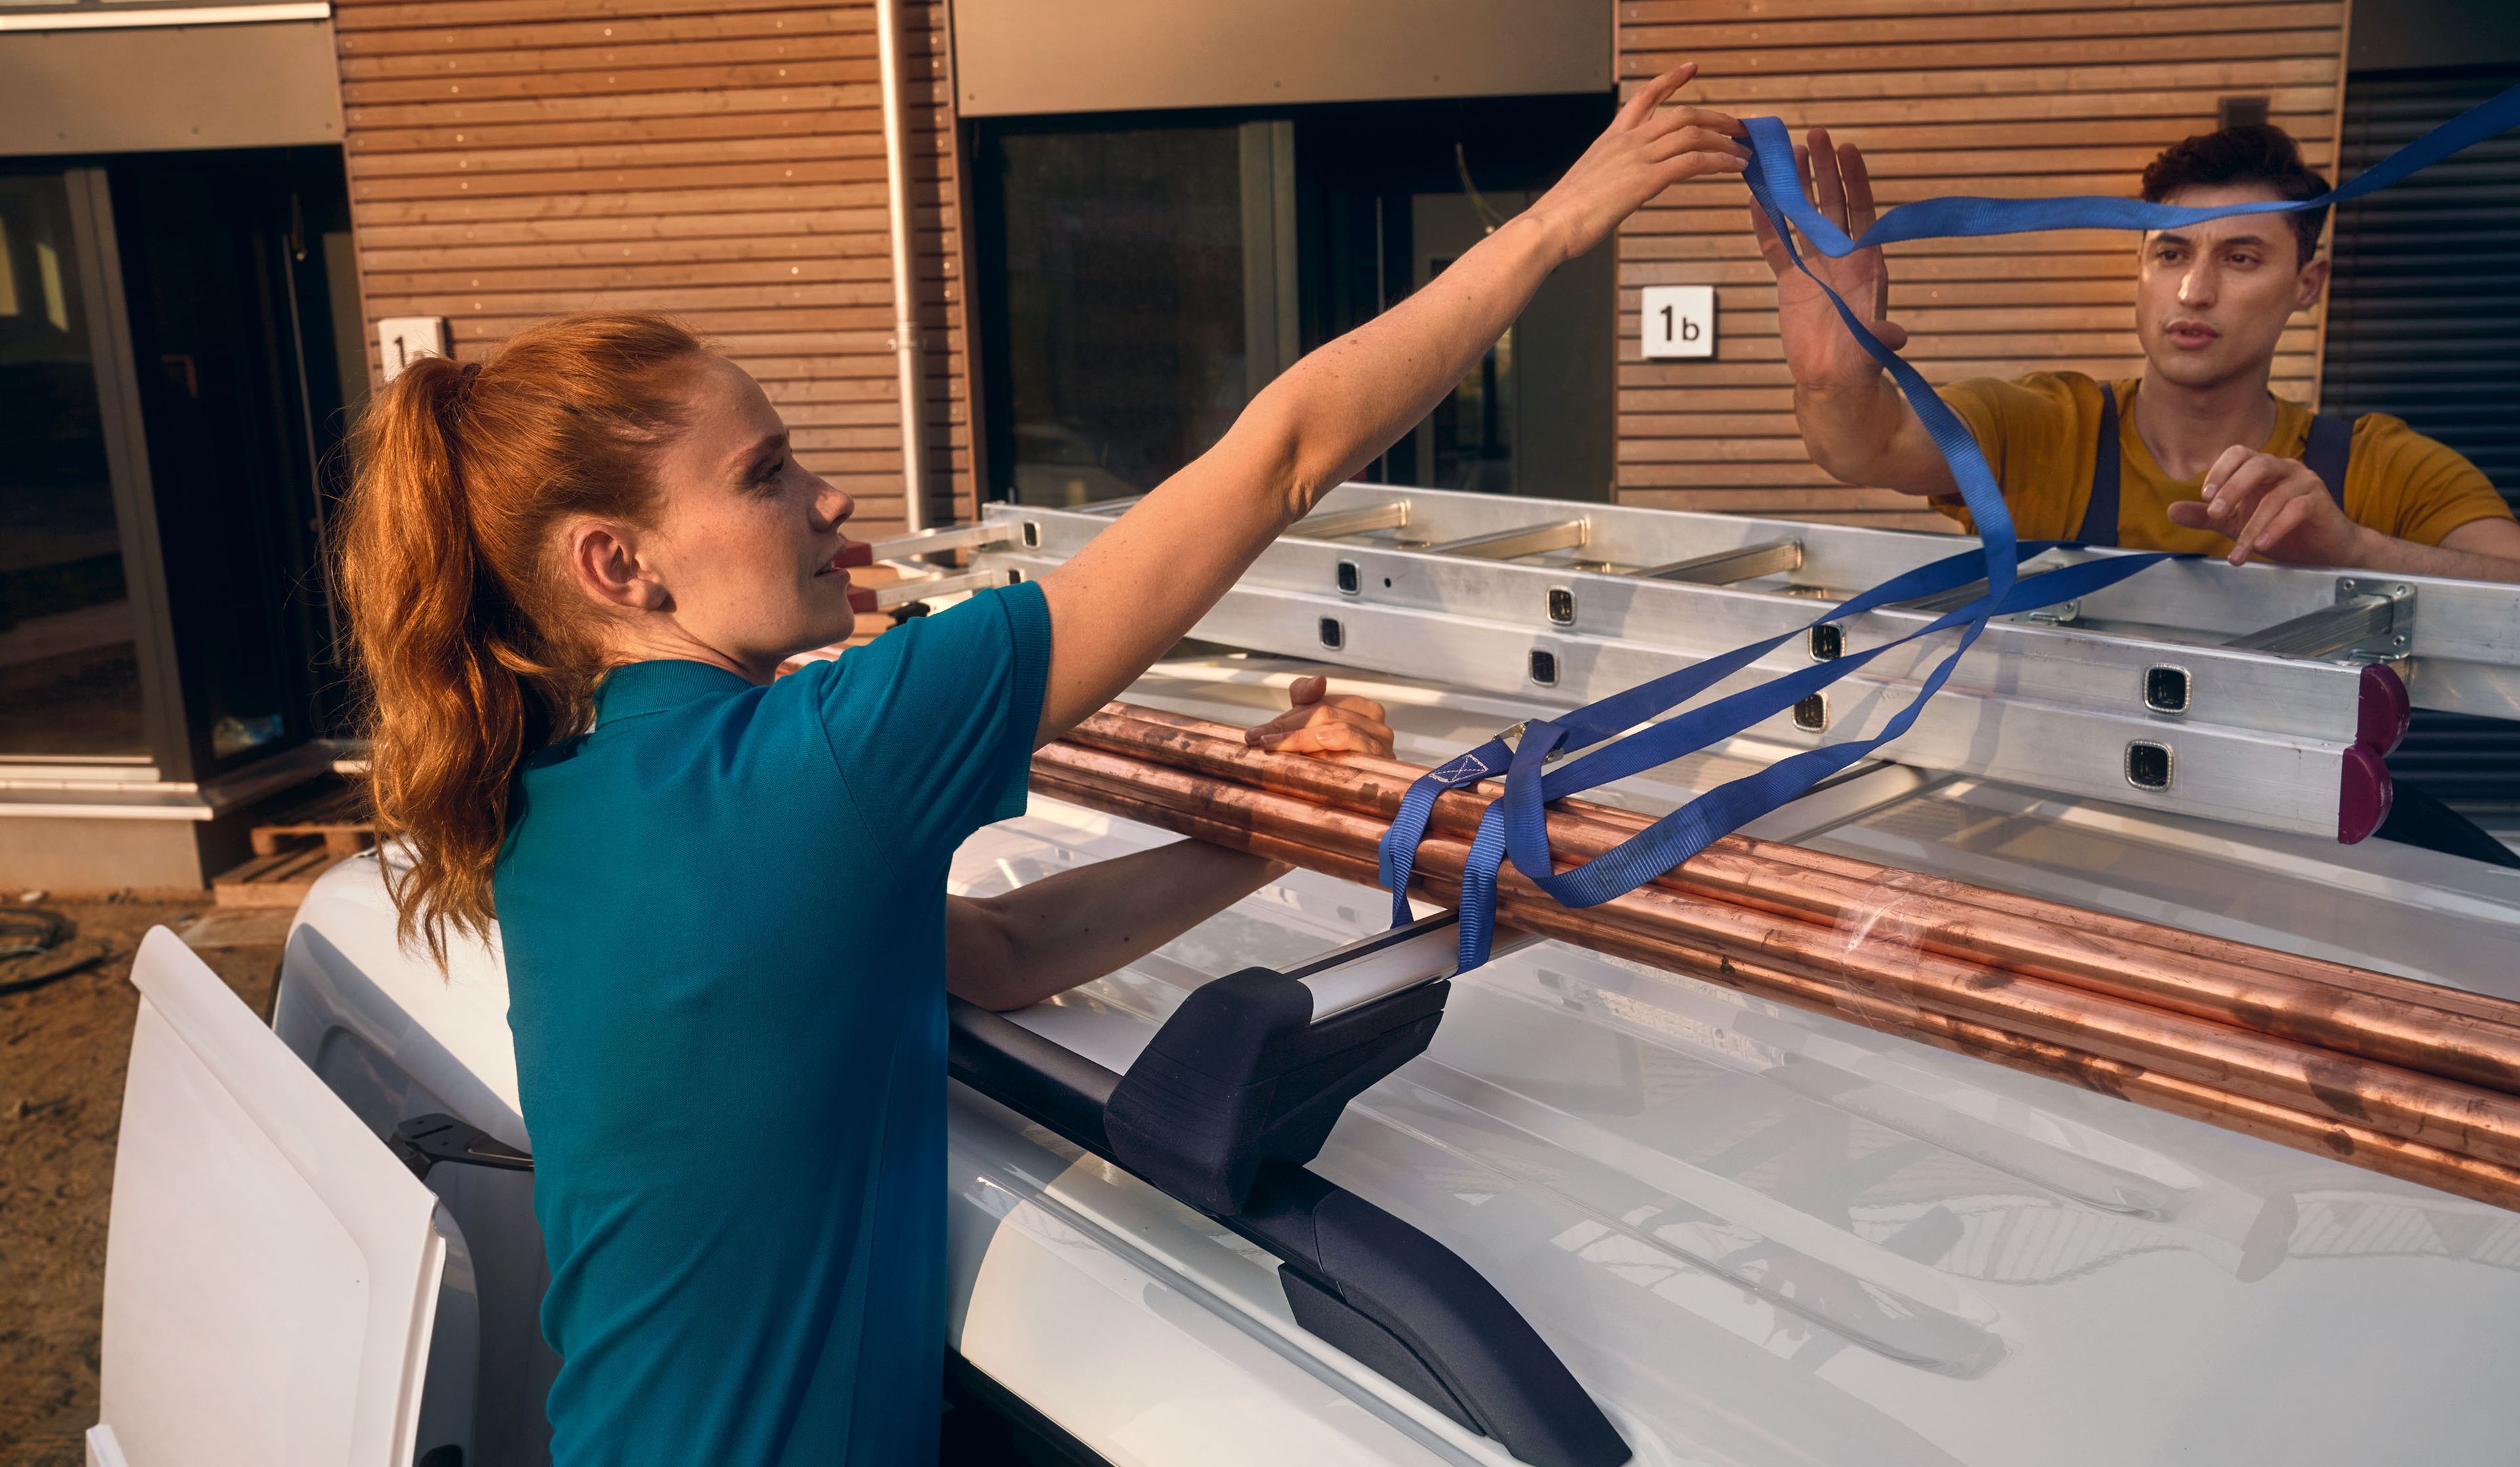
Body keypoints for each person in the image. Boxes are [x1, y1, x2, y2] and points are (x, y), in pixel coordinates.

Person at [329, 66, 1746, 1467]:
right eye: (765, 476)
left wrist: (1265, 818)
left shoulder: (571, 809)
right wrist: (1563, 221)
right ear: (618, 564)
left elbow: (998, 953)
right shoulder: (816, 768)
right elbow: (1283, 457)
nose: (831, 498)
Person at [1751, 122, 2520, 610]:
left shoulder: (2381, 466)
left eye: (2239, 259)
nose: (2193, 291)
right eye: (2169, 254)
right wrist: (1833, 378)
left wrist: (2354, 546)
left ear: (2307, 284)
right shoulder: (2050, 427)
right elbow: (1863, 451)